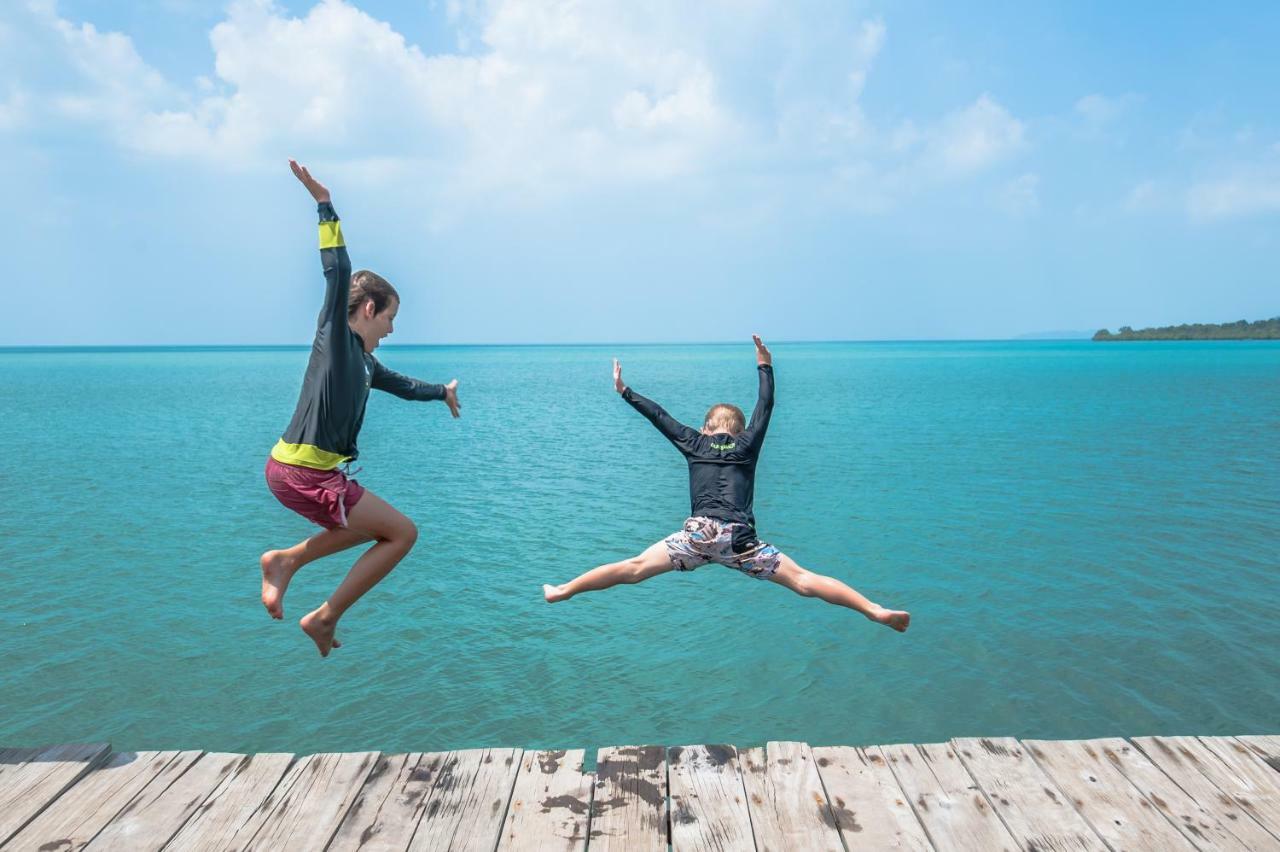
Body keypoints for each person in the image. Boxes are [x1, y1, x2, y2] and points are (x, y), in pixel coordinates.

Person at [543, 336, 910, 632]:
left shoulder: (694, 441)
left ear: (706, 427)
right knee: (802, 580)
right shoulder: (748, 444)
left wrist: (625, 391)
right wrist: (764, 365)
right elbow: (765, 406)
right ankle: (874, 610)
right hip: (740, 541)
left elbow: (660, 417)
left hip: (698, 537)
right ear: (739, 430)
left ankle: (563, 591)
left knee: (636, 567)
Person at [260, 160, 462, 657]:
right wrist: (325, 204)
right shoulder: (336, 341)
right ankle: (322, 614)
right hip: (301, 471)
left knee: (382, 531)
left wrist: (442, 392)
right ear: (369, 309)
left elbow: (404, 385)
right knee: (401, 533)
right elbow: (338, 271)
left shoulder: (367, 364)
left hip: (308, 472)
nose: (393, 328)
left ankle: (287, 564)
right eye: (391, 316)